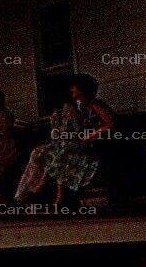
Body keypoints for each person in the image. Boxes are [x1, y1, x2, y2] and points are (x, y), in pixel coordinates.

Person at [17, 74, 115, 209]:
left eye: (74, 87)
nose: (71, 90)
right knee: (45, 151)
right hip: (79, 142)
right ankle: (34, 192)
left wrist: (91, 135)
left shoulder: (94, 104)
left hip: (95, 144)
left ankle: (51, 193)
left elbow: (109, 124)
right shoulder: (80, 106)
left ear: (82, 88)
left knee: (62, 151)